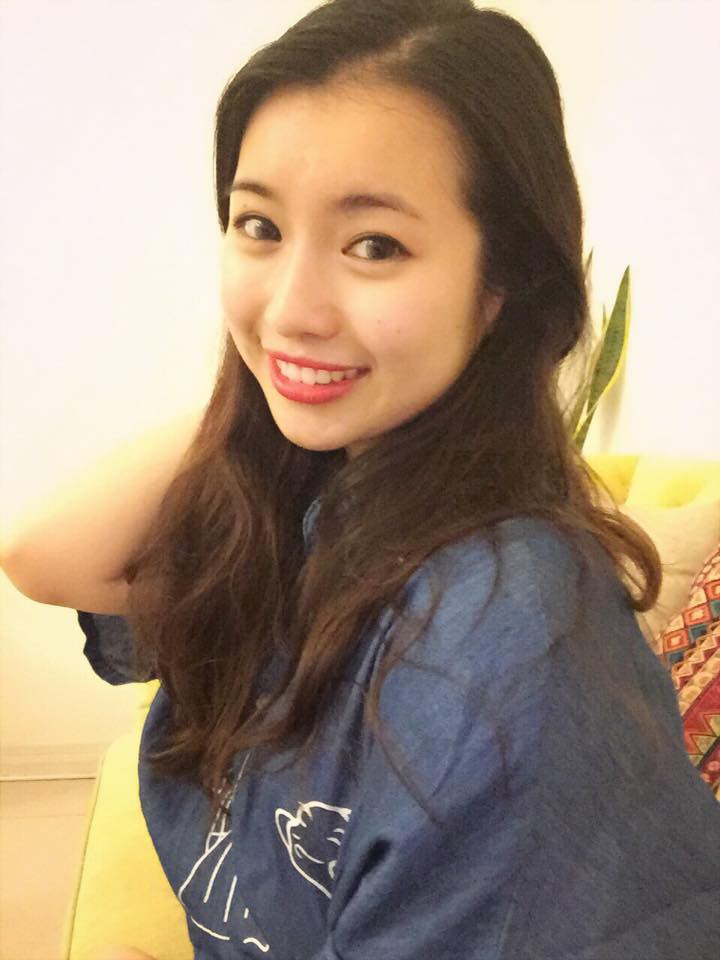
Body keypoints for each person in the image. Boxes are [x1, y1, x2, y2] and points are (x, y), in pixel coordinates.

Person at [4, 1, 720, 958]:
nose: (292, 307)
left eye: (373, 245)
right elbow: (42, 554)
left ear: (501, 283)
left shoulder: (503, 637)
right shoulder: (313, 492)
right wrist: (268, 385)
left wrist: (286, 365)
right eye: (259, 225)